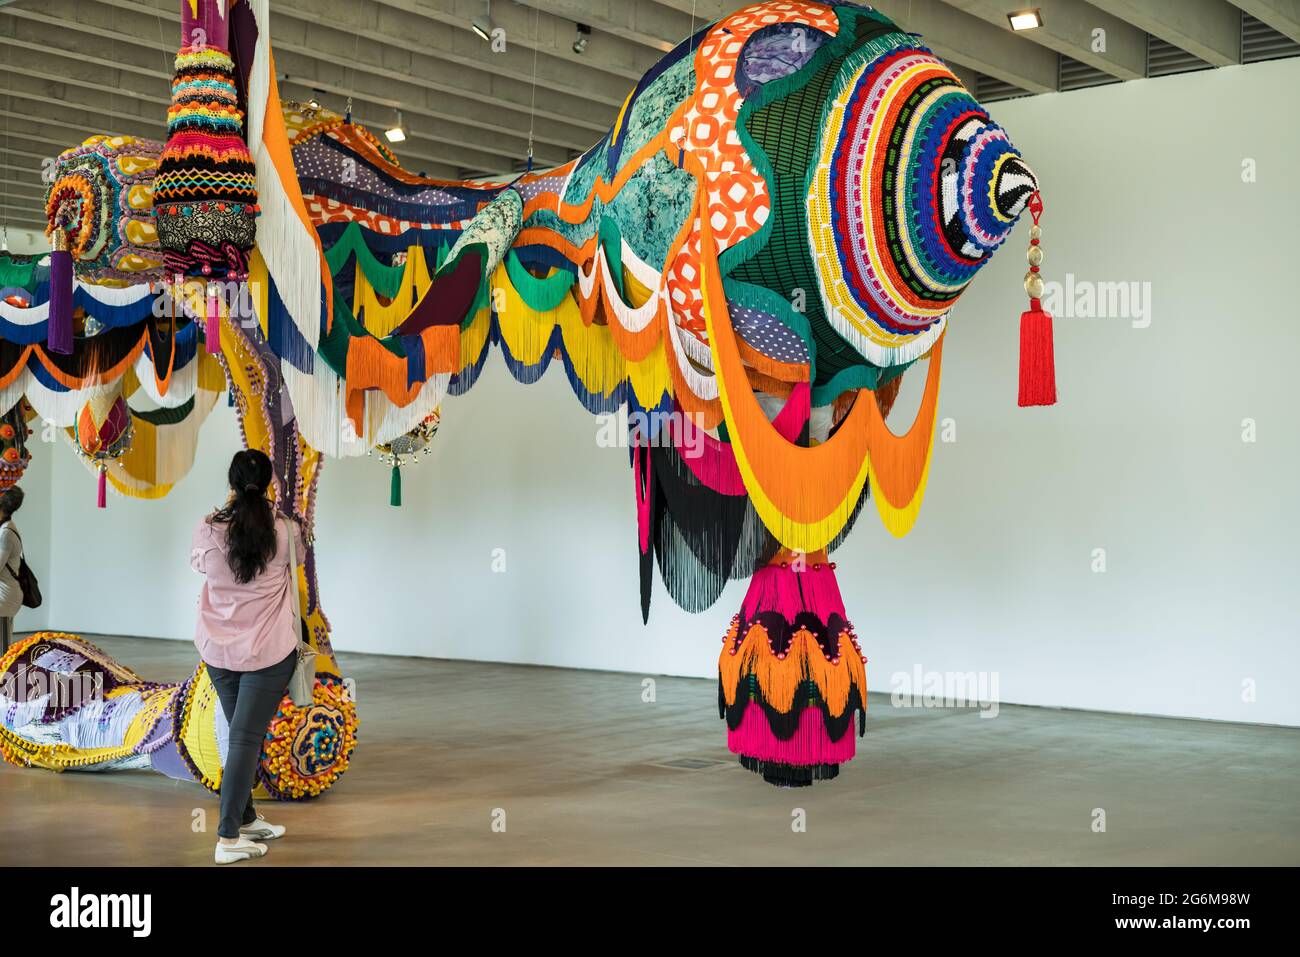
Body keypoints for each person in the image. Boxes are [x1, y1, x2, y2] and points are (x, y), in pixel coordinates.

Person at [191, 449, 304, 865]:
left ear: (232, 482)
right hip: (268, 652)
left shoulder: (208, 530)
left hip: (218, 651)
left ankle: (248, 817)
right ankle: (227, 837)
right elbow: (298, 568)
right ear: (269, 482)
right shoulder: (286, 531)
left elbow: (200, 568)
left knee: (243, 737)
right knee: (245, 738)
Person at [0, 485, 26, 653]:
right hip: (5, 594)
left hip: (3, 597)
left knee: (2, 649)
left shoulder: (5, 532)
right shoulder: (6, 527)